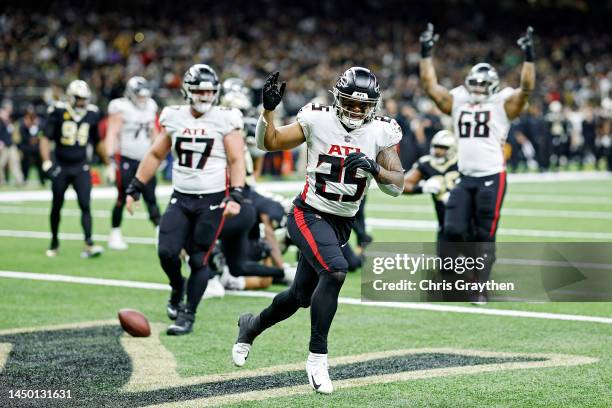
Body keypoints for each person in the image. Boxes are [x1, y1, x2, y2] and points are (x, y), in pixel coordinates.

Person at [232, 67, 404, 394]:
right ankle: (317, 357)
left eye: (362, 105)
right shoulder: (318, 119)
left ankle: (250, 326)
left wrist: (376, 169)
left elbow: (398, 185)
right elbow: (269, 143)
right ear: (337, 98)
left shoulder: (382, 132)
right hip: (307, 213)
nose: (355, 110)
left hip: (341, 222)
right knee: (336, 271)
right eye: (350, 102)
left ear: (374, 106)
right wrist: (267, 110)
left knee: (299, 296)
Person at [125, 64, 245, 335]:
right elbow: (156, 154)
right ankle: (177, 286)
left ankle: (188, 314)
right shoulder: (174, 116)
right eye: (199, 90)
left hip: (212, 200)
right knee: (166, 251)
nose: (205, 96)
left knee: (199, 259)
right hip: (181, 197)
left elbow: (236, 158)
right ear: (187, 91)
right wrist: (135, 187)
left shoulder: (226, 118)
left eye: (209, 91)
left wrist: (236, 194)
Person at [419, 24, 535, 302]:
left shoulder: (503, 102)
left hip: (492, 176)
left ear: (493, 84)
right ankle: (467, 271)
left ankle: (479, 284)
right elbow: (430, 86)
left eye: (484, 83)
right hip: (465, 175)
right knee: (453, 228)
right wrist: (426, 52)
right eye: (476, 82)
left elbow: (527, 88)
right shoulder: (459, 98)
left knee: (485, 234)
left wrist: (529, 56)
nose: (479, 88)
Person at [39, 80, 112, 258]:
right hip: (61, 166)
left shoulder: (92, 113)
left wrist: (108, 163)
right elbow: (45, 138)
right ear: (71, 98)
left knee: (85, 204)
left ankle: (89, 243)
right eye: (79, 99)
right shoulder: (58, 111)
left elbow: (98, 142)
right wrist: (46, 161)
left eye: (85, 99)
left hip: (81, 166)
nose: (82, 102)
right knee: (57, 205)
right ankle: (54, 241)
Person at [106, 76, 161, 250]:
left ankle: (161, 233)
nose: (142, 99)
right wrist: (109, 160)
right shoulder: (120, 107)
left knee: (151, 198)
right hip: (126, 159)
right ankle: (115, 233)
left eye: (145, 95)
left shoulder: (151, 106)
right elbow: (112, 133)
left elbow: (154, 132)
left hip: (146, 159)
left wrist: (159, 153)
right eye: (139, 95)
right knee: (122, 197)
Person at [403, 129, 459, 243]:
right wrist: (422, 188)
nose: (438, 151)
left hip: (467, 220)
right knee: (445, 258)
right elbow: (402, 185)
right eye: (436, 146)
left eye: (443, 147)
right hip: (444, 222)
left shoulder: (462, 162)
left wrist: (456, 195)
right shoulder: (426, 163)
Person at [16, 106, 45, 186]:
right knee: (25, 163)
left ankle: (42, 180)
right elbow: (21, 136)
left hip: (37, 148)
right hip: (27, 148)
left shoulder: (39, 123)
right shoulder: (23, 123)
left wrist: (37, 138)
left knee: (40, 163)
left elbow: (42, 133)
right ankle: (24, 179)